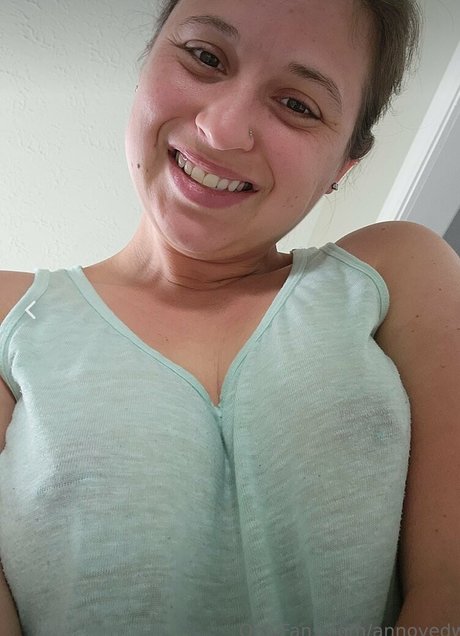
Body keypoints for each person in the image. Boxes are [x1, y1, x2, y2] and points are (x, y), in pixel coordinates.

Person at [1, 0, 460, 633]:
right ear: (146, 65)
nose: (222, 130)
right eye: (205, 57)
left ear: (343, 167)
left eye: (297, 104)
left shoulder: (396, 274)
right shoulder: (11, 316)